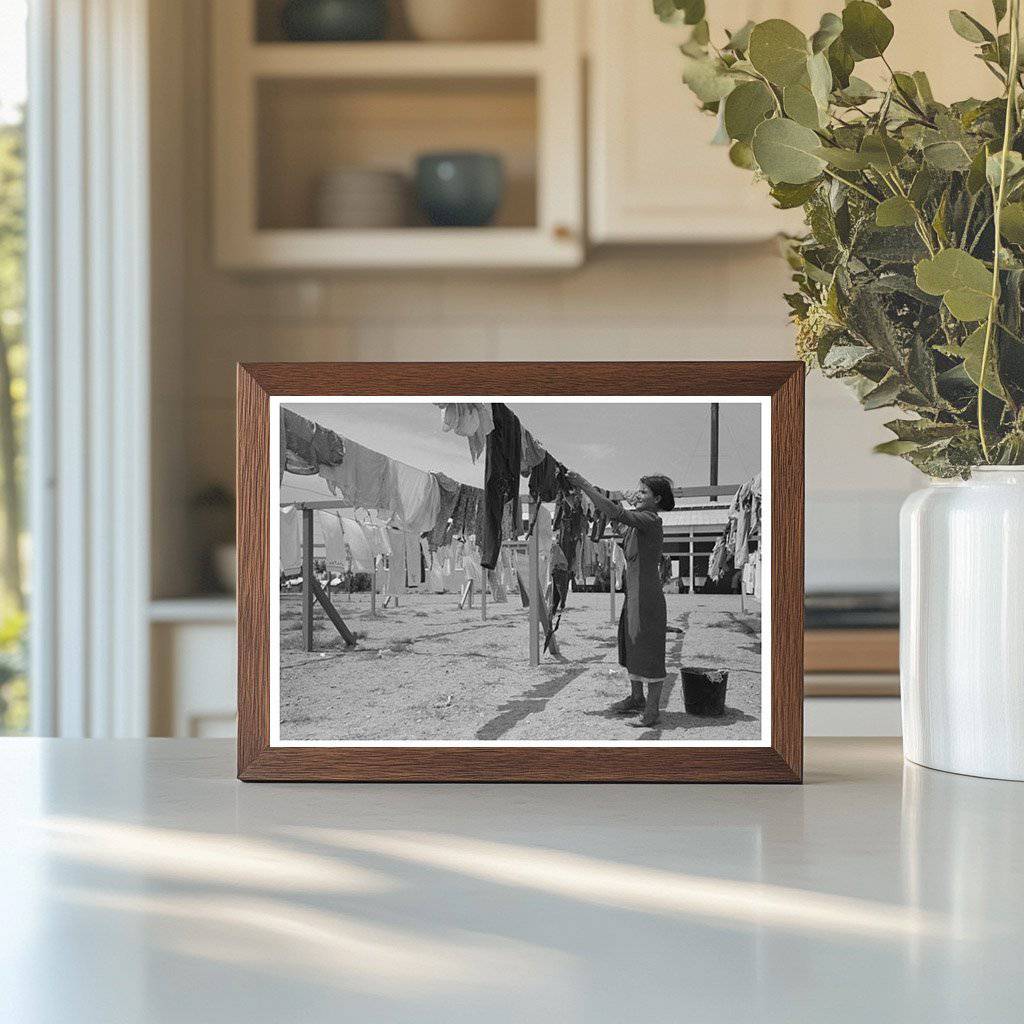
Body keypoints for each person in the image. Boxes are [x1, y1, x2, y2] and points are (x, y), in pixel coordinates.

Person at [566, 471, 675, 727]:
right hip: (634, 594)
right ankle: (637, 698)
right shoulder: (636, 525)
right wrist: (608, 497)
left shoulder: (650, 520)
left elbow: (616, 513)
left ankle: (652, 712)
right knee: (631, 643)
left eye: (644, 492)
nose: (638, 495)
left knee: (649, 650)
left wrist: (583, 484)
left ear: (657, 499)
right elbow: (617, 519)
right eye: (638, 491)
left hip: (647, 597)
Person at [549, 540, 570, 613]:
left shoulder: (555, 548)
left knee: (557, 593)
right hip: (560, 572)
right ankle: (555, 609)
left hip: (558, 573)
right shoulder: (556, 548)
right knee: (558, 593)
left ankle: (554, 609)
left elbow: (553, 562)